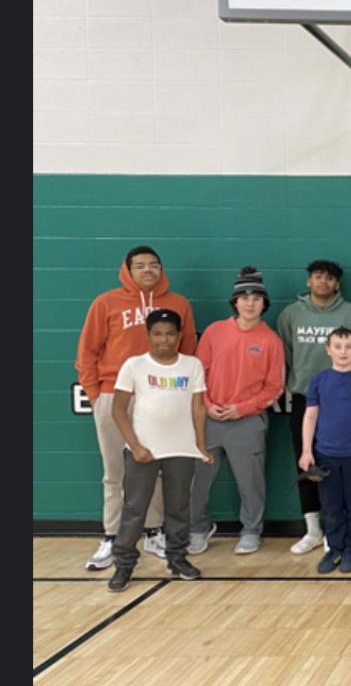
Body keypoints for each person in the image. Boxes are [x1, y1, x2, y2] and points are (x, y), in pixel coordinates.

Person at [76, 245, 197, 570]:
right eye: (140, 266)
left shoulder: (178, 304)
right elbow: (87, 353)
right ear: (127, 271)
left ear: (161, 269)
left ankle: (154, 532)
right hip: (114, 395)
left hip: (160, 397)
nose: (147, 270)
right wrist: (96, 394)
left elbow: (188, 351)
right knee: (115, 471)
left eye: (153, 265)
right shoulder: (106, 303)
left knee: (155, 466)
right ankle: (112, 536)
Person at [106, 309, 211, 592]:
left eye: (170, 334)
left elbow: (198, 407)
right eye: (157, 334)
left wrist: (200, 445)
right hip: (144, 451)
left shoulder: (192, 365)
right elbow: (118, 410)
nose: (164, 340)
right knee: (134, 509)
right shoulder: (134, 365)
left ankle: (177, 559)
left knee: (178, 508)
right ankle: (124, 564)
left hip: (182, 450)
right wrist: (136, 446)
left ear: (179, 335)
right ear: (148, 335)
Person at [277, 260, 351, 556]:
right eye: (317, 276)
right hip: (304, 398)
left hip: (342, 400)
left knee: (338, 467)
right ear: (309, 281)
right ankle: (313, 530)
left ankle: (336, 530)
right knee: (306, 463)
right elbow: (286, 355)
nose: (323, 281)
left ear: (337, 284)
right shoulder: (290, 314)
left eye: (329, 278)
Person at [188, 267, 284, 556]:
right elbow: (198, 373)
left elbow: (274, 387)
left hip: (247, 422)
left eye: (256, 298)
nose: (250, 303)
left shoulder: (271, 340)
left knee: (250, 483)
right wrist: (207, 405)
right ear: (235, 302)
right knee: (198, 480)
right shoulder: (215, 331)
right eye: (244, 298)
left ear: (264, 304)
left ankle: (251, 530)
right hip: (209, 419)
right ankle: (198, 528)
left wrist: (241, 409)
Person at [298, 327, 351, 574]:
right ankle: (334, 549)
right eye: (338, 347)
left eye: (348, 347)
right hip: (326, 454)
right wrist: (306, 450)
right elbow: (310, 417)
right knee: (331, 505)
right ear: (328, 350)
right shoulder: (319, 380)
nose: (343, 352)